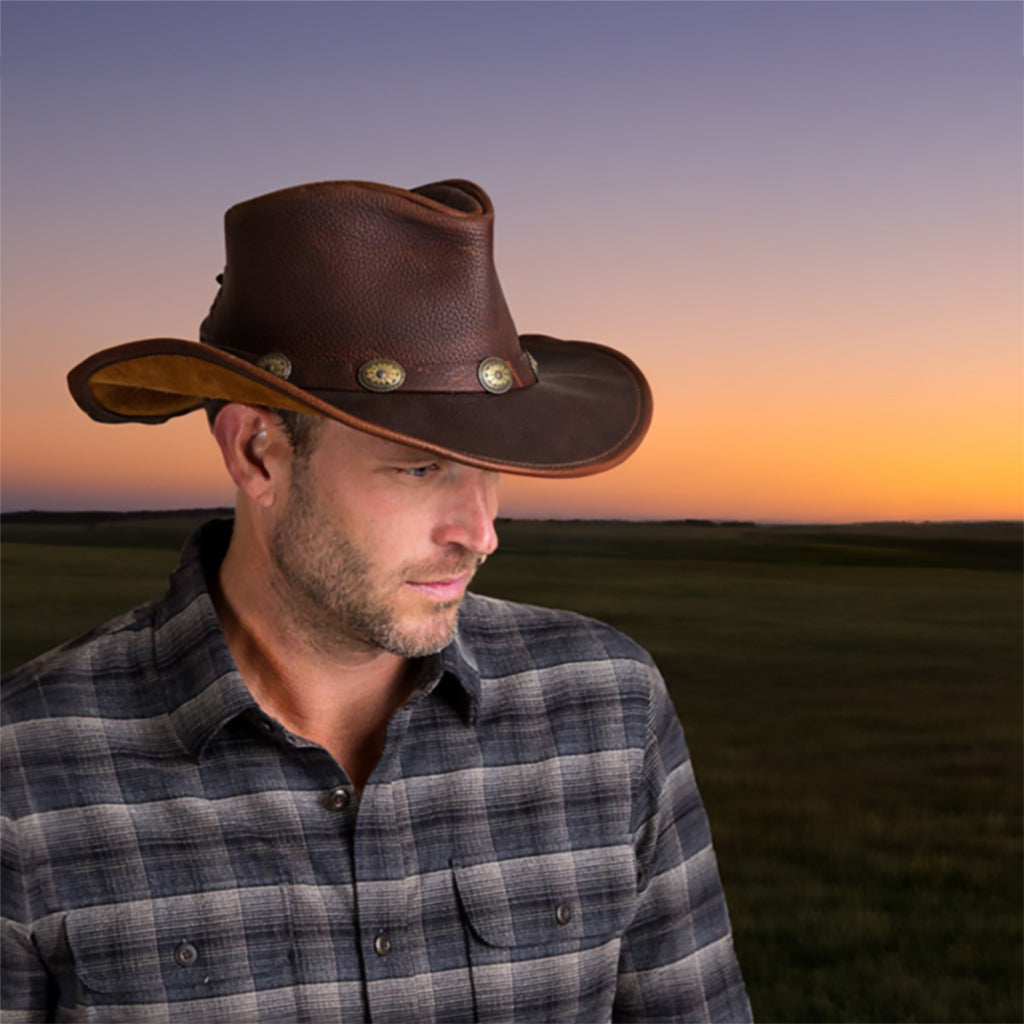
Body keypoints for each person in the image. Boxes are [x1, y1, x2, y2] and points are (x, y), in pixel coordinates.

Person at [2, 178, 751, 1023]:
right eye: (420, 468)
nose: (480, 533)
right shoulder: (24, 768)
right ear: (256, 454)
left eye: (488, 470)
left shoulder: (608, 710)